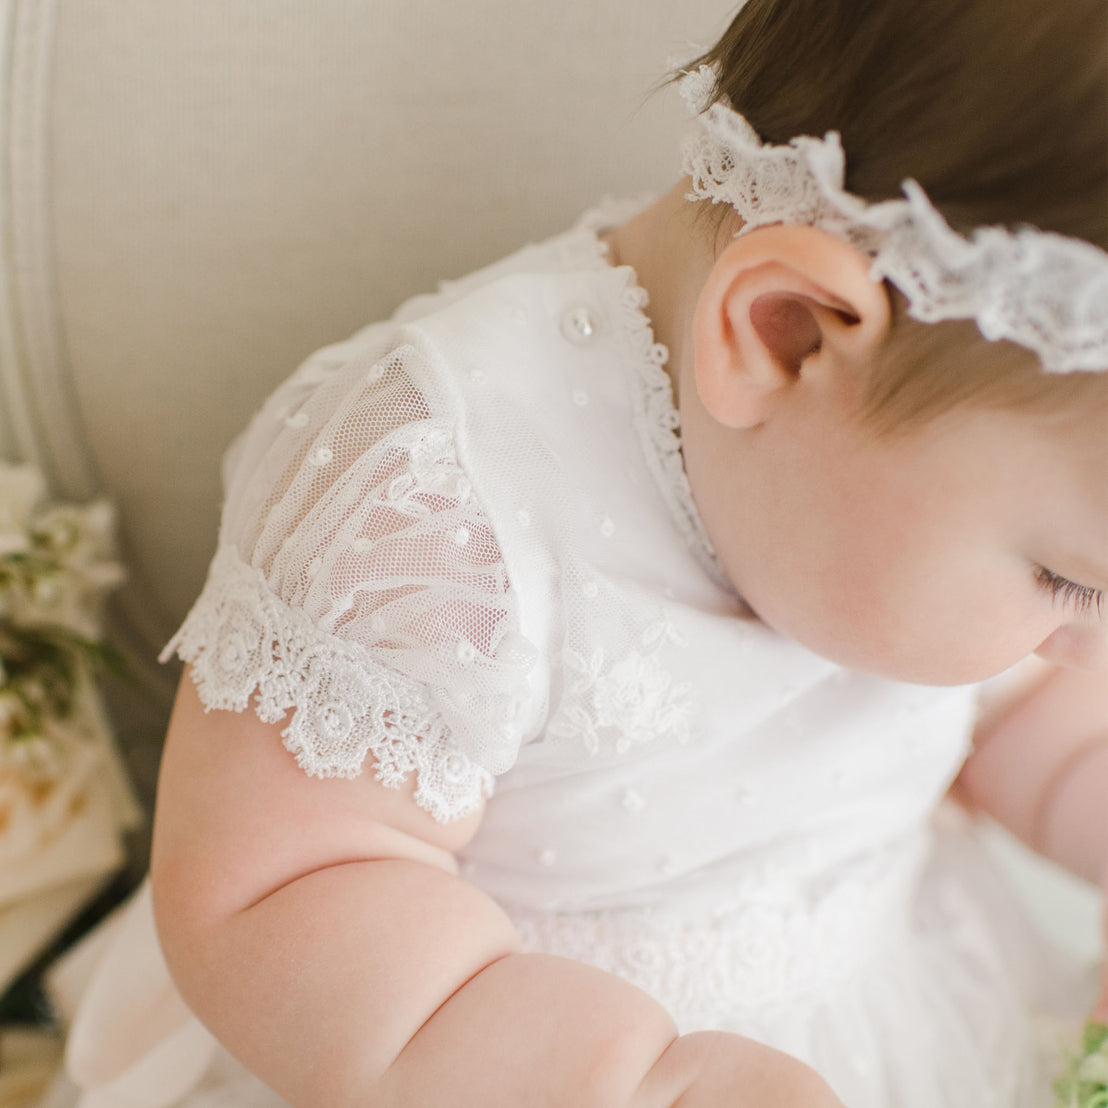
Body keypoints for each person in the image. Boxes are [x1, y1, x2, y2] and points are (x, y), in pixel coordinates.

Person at [56, 0, 1107, 1105]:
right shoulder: (438, 493)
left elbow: (1036, 716)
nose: (1088, 643)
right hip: (467, 1050)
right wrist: (629, 1079)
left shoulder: (910, 488)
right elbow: (275, 886)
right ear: (788, 335)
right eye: (1073, 582)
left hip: (896, 980)